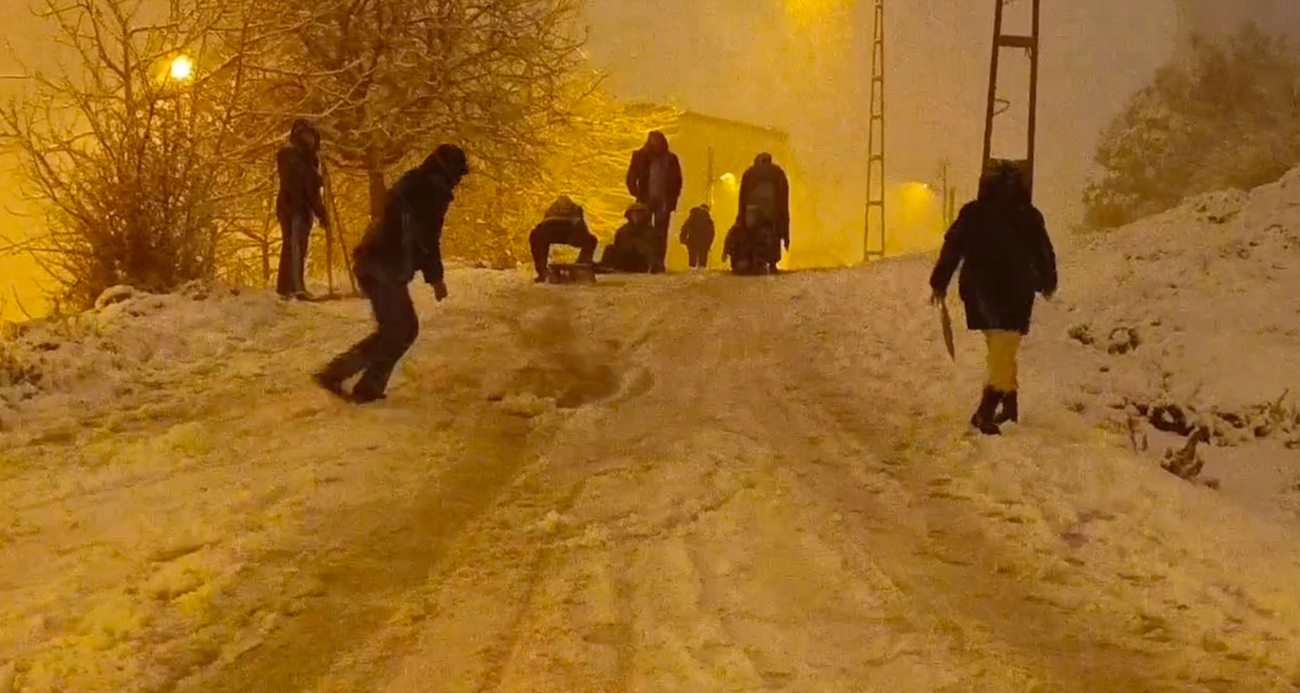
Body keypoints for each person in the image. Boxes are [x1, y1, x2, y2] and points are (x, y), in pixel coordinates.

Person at [313, 144, 470, 403]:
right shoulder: (431, 191)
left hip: (374, 260)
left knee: (398, 329)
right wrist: (435, 278)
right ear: (449, 171)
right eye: (458, 175)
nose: (458, 181)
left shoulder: (414, 183)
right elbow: (428, 238)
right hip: (383, 265)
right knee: (402, 329)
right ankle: (347, 378)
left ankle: (352, 379)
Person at [929, 159, 1057, 435]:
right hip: (1015, 294)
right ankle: (986, 413)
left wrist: (940, 281)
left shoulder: (974, 214)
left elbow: (953, 247)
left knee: (1001, 350)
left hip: (982, 294)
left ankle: (1008, 408)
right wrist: (1048, 281)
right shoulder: (1028, 216)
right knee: (1003, 350)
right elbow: (1043, 251)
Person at [275, 119, 330, 298]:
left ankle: (291, 286)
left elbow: (312, 192)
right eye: (306, 136)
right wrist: (314, 177)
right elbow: (297, 181)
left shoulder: (310, 159)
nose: (310, 140)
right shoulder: (288, 154)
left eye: (311, 136)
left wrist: (321, 212)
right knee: (293, 246)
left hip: (303, 208)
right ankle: (291, 287)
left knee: (299, 246)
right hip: (291, 207)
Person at [624, 131, 683, 273]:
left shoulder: (670, 159)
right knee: (645, 232)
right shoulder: (640, 157)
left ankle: (658, 262)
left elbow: (677, 181)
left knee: (660, 232)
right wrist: (637, 193)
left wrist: (672, 199)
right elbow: (631, 177)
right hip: (646, 200)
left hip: (663, 201)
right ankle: (645, 260)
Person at [734, 152, 790, 274]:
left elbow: (742, 198)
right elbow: (783, 198)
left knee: (751, 235)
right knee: (773, 236)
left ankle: (754, 262)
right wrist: (785, 233)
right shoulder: (778, 173)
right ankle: (772, 264)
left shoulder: (749, 173)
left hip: (751, 210)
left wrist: (741, 218)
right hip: (773, 212)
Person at [529, 196, 599, 282]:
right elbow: (584, 231)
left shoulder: (551, 211)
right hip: (568, 229)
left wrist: (541, 267)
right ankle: (581, 264)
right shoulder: (575, 210)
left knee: (537, 237)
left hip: (551, 230)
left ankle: (542, 271)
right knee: (591, 240)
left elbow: (537, 235)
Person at [597, 203, 657, 273]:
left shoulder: (649, 232)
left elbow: (650, 252)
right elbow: (617, 246)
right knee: (610, 248)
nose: (636, 216)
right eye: (634, 214)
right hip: (623, 259)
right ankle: (606, 266)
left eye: (639, 214)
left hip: (638, 261)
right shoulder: (623, 230)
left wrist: (651, 266)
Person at [679, 204, 715, 269]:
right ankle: (701, 272)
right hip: (704, 243)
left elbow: (685, 227)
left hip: (692, 242)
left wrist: (683, 238)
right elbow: (711, 232)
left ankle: (692, 271)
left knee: (692, 262)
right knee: (702, 263)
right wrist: (709, 244)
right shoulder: (708, 219)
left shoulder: (693, 216)